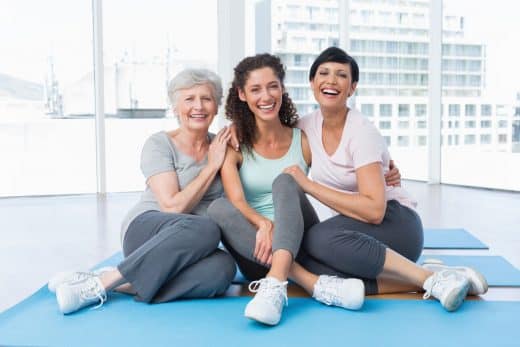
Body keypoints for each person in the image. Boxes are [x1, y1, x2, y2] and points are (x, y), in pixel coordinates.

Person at [280, 46, 488, 312]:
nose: (331, 80)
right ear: (312, 83)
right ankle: (435, 277)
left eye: (341, 75)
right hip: (357, 235)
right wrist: (236, 132)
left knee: (317, 240)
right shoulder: (305, 126)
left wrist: (308, 185)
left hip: (396, 225)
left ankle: (430, 278)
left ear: (352, 87)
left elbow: (375, 211)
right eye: (324, 73)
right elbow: (270, 132)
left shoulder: (362, 132)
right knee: (307, 264)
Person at [208, 53, 397, 326]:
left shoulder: (303, 138)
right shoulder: (234, 145)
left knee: (286, 181)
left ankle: (280, 281)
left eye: (273, 86)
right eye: (255, 89)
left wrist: (386, 168)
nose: (266, 96)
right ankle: (310, 283)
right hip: (255, 249)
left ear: (282, 90)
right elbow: (237, 201)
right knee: (218, 207)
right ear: (241, 94)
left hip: (298, 239)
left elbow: (342, 163)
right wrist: (263, 224)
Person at [48, 68, 237, 314]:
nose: (198, 106)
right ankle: (99, 285)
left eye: (206, 98)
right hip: (148, 230)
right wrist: (212, 166)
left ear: (216, 106)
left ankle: (117, 282)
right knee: (206, 228)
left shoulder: (223, 145)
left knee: (223, 270)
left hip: (193, 245)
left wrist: (242, 131)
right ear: (175, 107)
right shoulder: (160, 144)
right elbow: (172, 207)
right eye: (189, 99)